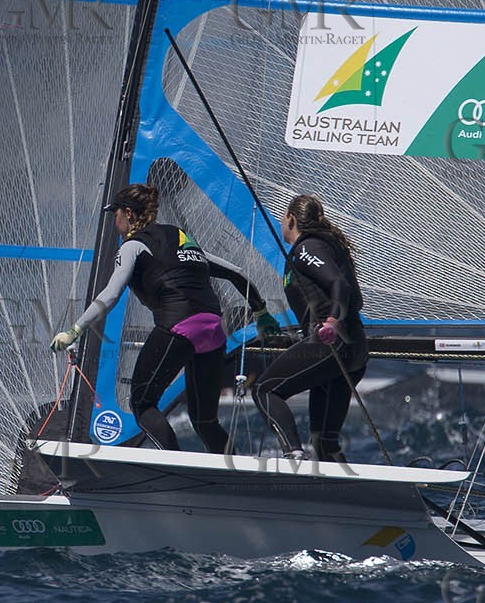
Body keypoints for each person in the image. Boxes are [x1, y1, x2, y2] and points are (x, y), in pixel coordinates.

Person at [49, 183, 278, 453]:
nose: (115, 221)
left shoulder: (132, 246)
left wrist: (75, 331)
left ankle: (172, 460)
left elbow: (111, 294)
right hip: (214, 330)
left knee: (142, 403)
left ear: (129, 214)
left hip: (179, 326)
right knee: (205, 420)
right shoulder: (180, 237)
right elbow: (237, 273)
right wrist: (261, 312)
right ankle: (232, 472)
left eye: (116, 214)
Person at [248, 194, 368, 461]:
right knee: (324, 440)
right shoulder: (328, 246)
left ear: (291, 219)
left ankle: (293, 455)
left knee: (265, 390)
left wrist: (332, 321)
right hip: (353, 347)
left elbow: (339, 283)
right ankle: (343, 496)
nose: (280, 222)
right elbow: (349, 295)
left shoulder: (306, 248)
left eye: (282, 217)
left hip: (331, 342)